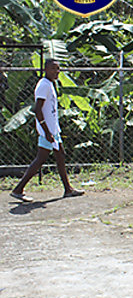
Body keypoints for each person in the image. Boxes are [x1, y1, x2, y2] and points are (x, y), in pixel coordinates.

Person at [10, 59, 83, 202]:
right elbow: (38, 110)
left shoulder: (50, 84)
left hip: (53, 128)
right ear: (46, 70)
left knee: (60, 155)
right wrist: (47, 131)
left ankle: (68, 189)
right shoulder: (43, 85)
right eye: (53, 69)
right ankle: (18, 189)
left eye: (58, 68)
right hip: (47, 130)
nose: (57, 71)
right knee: (40, 159)